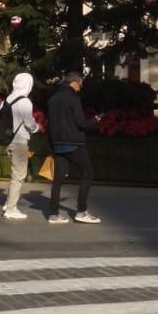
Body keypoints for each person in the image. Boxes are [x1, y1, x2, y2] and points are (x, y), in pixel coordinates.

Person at [46, 71, 100, 224]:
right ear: (74, 82)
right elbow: (80, 123)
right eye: (80, 83)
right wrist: (94, 121)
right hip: (74, 143)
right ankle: (81, 211)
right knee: (88, 173)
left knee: (58, 179)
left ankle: (53, 214)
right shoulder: (73, 98)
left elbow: (50, 124)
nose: (81, 87)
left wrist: (51, 145)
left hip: (57, 144)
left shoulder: (53, 99)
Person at [2, 71, 38, 221]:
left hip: (8, 140)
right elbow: (29, 123)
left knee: (15, 173)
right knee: (19, 175)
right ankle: (10, 209)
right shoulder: (24, 101)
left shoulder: (8, 99)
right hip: (19, 141)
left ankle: (8, 203)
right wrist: (37, 128)